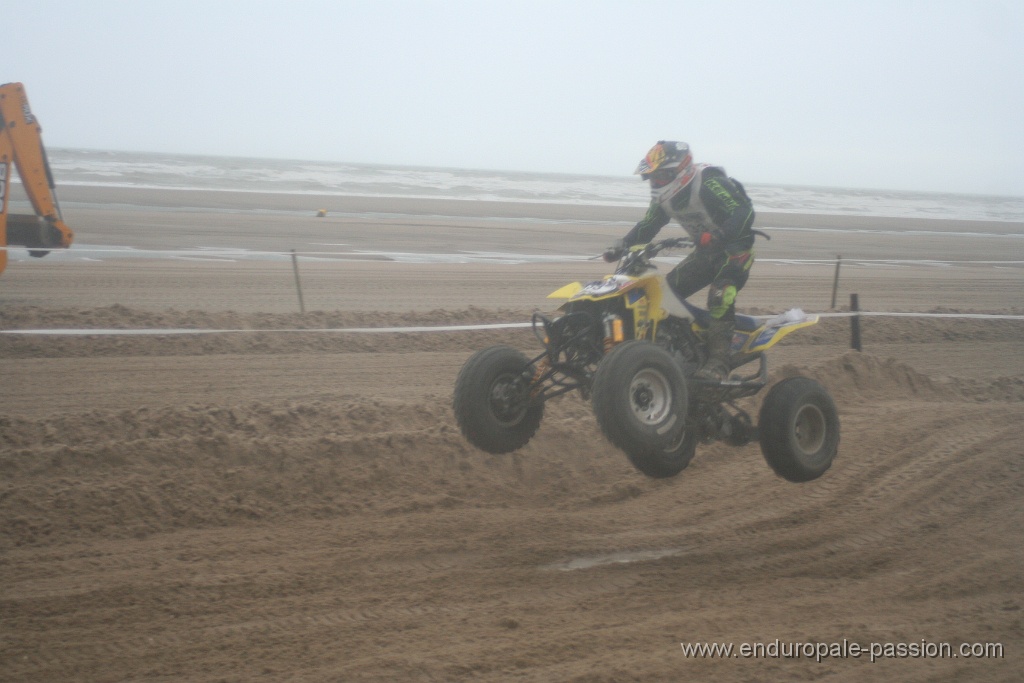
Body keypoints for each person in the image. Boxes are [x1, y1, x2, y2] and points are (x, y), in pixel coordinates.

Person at [605, 141, 756, 381]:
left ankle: (719, 363)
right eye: (652, 178)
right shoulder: (664, 199)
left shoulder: (707, 182)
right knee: (664, 295)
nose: (656, 183)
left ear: (680, 169)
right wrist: (622, 245)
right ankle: (675, 351)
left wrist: (720, 235)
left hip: (735, 250)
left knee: (720, 294)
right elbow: (648, 226)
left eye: (661, 176)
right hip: (705, 253)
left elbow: (744, 212)